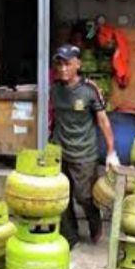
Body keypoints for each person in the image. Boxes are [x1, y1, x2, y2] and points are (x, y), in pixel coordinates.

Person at [51, 44, 119, 247]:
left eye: (67, 63)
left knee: (85, 197)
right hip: (60, 151)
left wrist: (111, 152)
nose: (63, 68)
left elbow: (103, 121)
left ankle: (94, 222)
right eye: (60, 63)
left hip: (84, 154)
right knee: (63, 198)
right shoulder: (54, 89)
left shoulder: (90, 90)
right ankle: (70, 237)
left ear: (78, 64)